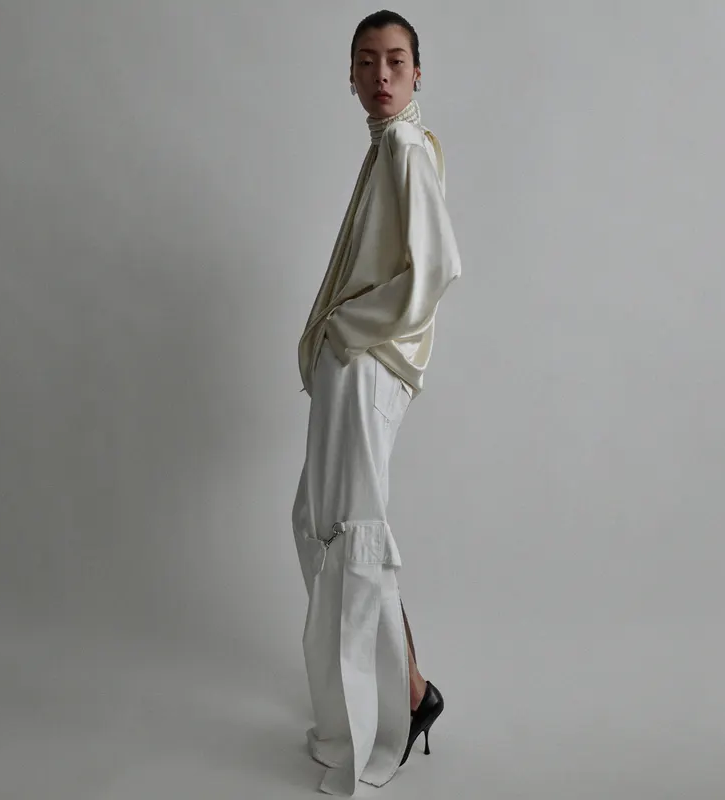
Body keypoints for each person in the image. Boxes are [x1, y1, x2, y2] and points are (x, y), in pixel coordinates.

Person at [291, 10, 461, 795]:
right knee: (324, 526)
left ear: (417, 71)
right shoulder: (384, 146)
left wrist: (347, 329)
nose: (381, 75)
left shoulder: (404, 147)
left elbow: (435, 269)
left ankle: (380, 722)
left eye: (396, 60)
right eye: (367, 61)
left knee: (352, 537)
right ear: (351, 75)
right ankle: (401, 696)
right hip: (351, 364)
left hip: (367, 366)